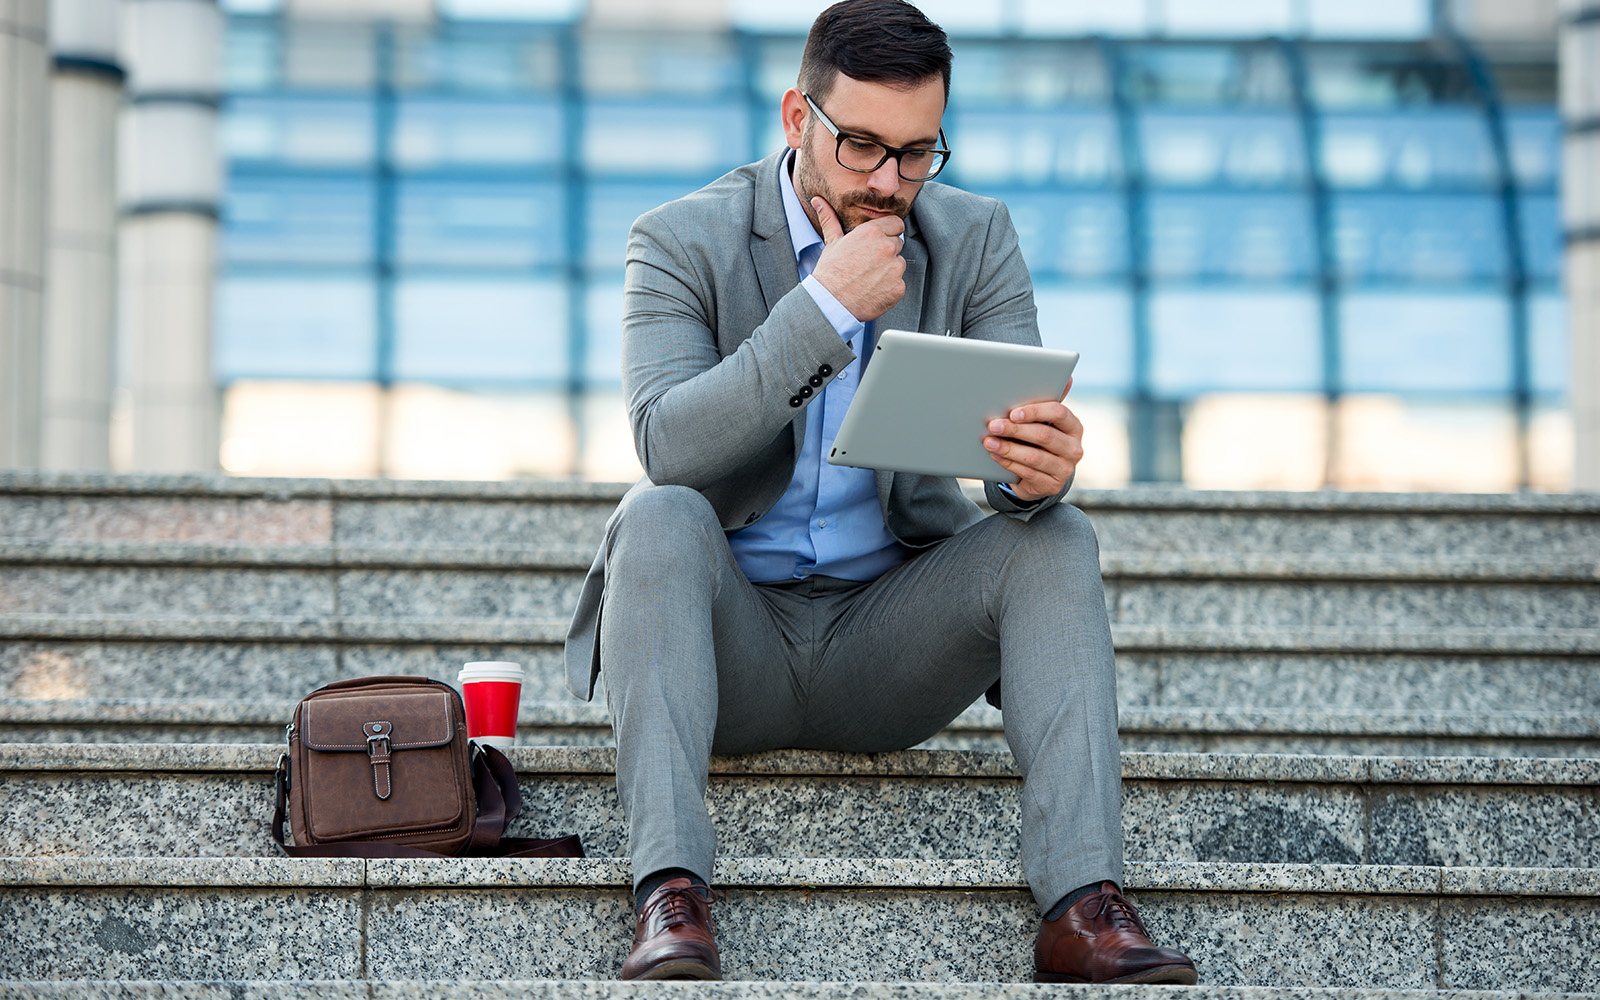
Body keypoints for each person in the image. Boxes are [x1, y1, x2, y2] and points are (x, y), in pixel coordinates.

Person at [563, 0, 1197, 985]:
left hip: (887, 646)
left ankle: (1081, 903)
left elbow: (1007, 453)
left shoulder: (975, 237)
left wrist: (1030, 470)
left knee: (1057, 538)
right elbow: (667, 444)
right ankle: (670, 890)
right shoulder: (679, 240)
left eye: (915, 153)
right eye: (859, 146)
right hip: (726, 648)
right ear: (794, 118)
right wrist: (823, 309)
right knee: (654, 516)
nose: (888, 182)